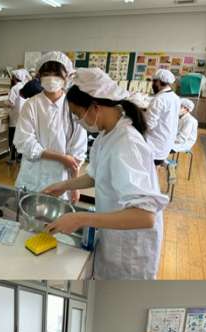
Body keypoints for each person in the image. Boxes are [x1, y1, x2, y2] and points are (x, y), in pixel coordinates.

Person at [43, 68, 168, 280]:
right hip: (114, 234)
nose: (78, 120)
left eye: (78, 114)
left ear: (95, 107)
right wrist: (62, 186)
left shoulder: (126, 144)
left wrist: (81, 218)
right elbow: (96, 175)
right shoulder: (108, 134)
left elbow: (146, 216)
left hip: (130, 250)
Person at [13, 51, 87, 203]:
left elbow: (77, 150)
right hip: (33, 176)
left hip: (61, 179)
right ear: (39, 76)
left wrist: (74, 186)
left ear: (67, 77)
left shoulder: (72, 106)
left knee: (58, 215)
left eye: (57, 74)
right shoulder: (31, 105)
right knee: (28, 211)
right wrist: (60, 157)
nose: (51, 78)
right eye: (47, 74)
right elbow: (23, 141)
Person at [146, 69, 181, 165]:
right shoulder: (175, 97)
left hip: (155, 145)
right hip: (166, 144)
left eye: (154, 82)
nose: (152, 85)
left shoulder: (159, 99)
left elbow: (149, 125)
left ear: (158, 82)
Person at [6, 69, 29, 163]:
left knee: (13, 137)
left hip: (15, 117)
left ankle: (12, 158)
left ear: (14, 78)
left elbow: (11, 103)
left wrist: (5, 103)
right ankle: (20, 157)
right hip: (24, 116)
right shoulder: (25, 86)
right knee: (21, 137)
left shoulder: (14, 88)